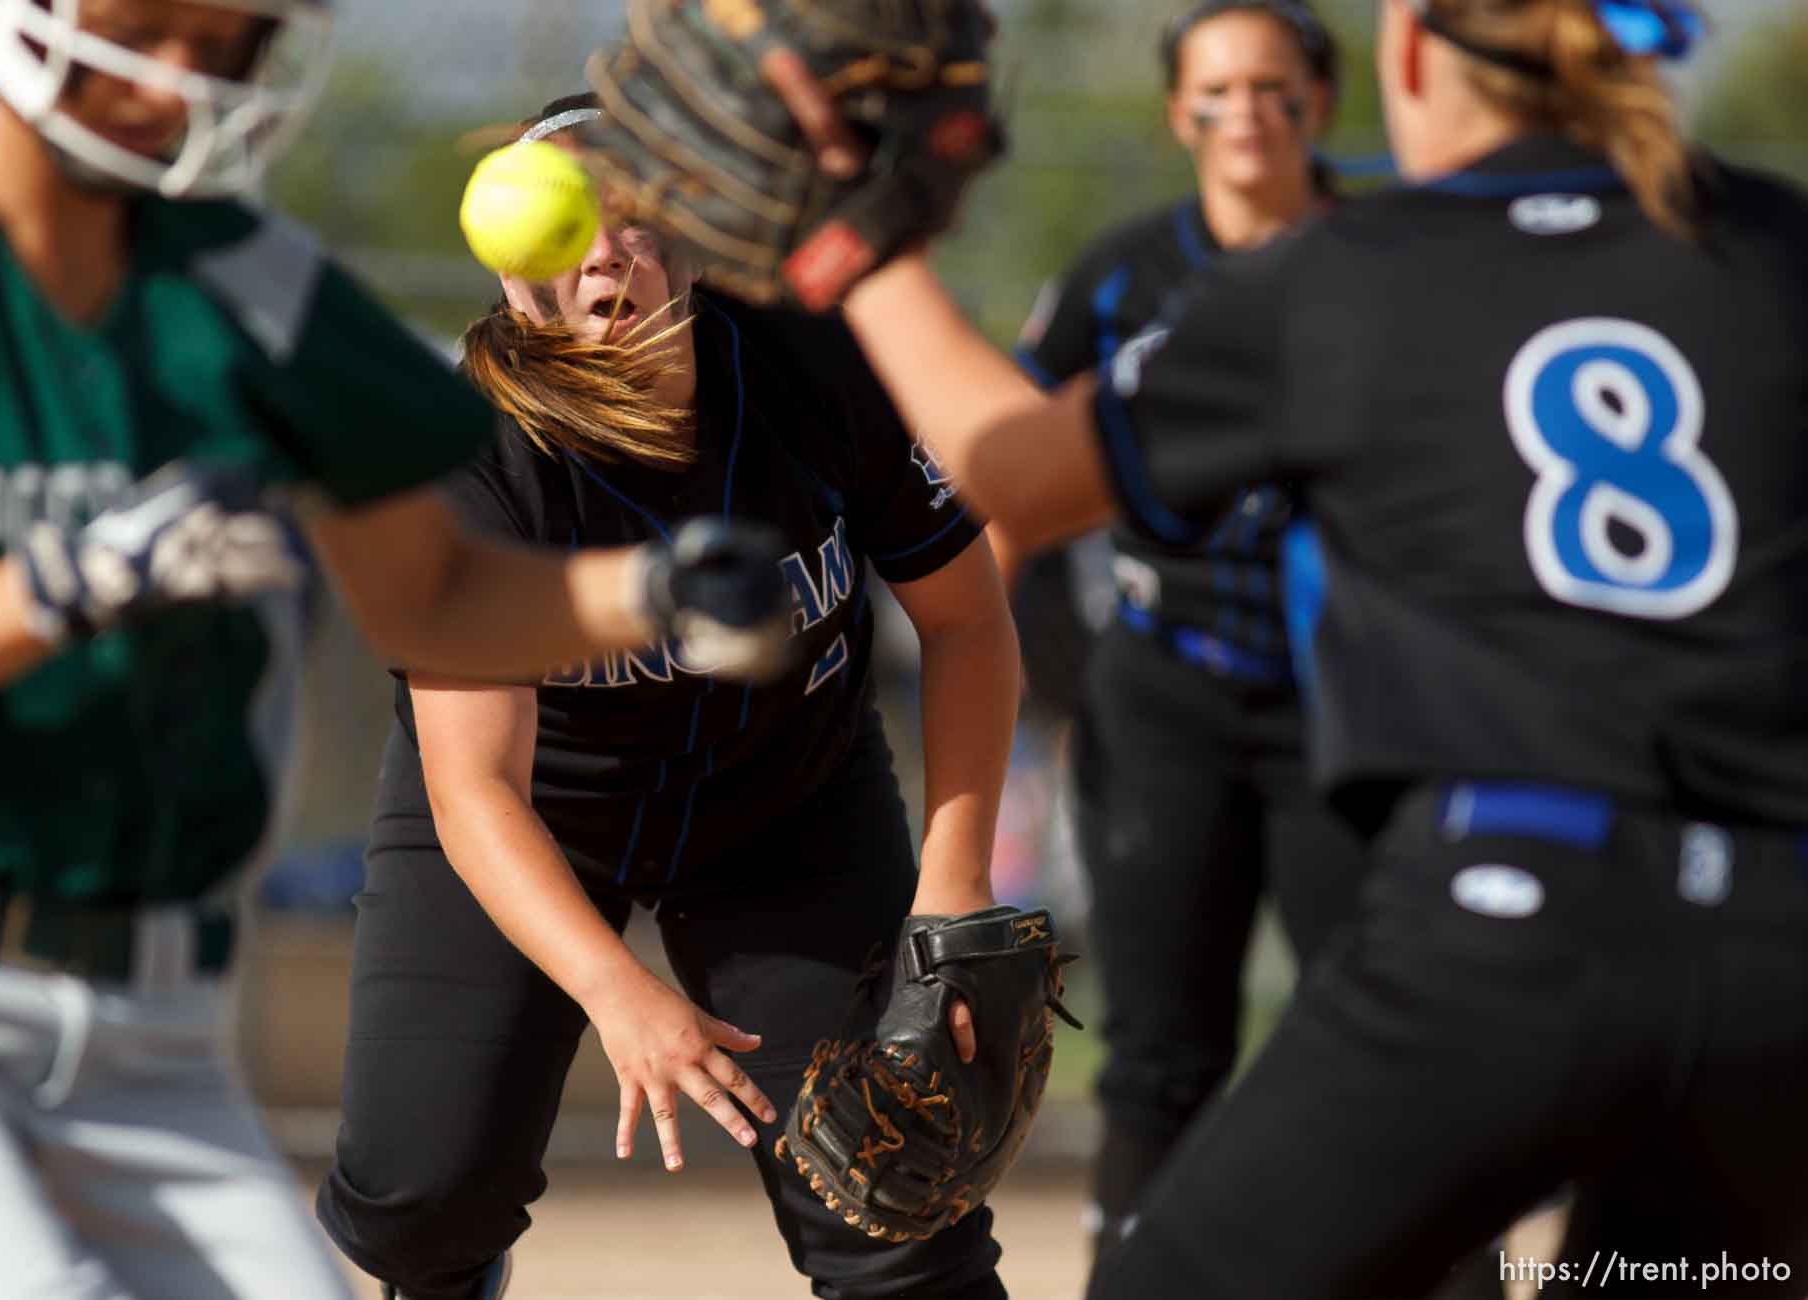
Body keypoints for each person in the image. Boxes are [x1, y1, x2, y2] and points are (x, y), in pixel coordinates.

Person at [738, 0, 1808, 1293]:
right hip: (1776, 955)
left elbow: (1010, 473)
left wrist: (858, 239)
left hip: (1515, 931)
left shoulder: (1348, 271)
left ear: (1404, 52)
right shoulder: (1774, 241)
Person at [0, 5, 789, 1298]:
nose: (182, 77)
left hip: (157, 1032)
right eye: (142, 26)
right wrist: (59, 589)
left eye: (224, 42)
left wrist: (656, 587)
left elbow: (437, 593)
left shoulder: (248, 280)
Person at [316, 97, 1023, 1300]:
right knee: (421, 1197)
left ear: (692, 229)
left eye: (634, 217)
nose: (602, 255)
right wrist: (615, 990)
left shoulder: (814, 361)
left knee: (894, 1202)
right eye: (563, 229)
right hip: (537, 815)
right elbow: (472, 786)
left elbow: (966, 623)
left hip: (786, 807)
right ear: (508, 268)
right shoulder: (465, 448)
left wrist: (950, 893)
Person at [994, 0, 1370, 1271]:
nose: (1247, 112)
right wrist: (1031, 683)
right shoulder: (1121, 276)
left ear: (1323, 101)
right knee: (1159, 1050)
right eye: (1216, 90)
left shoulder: (1390, 254)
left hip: (1356, 701)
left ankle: (1416, 1258)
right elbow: (1005, 483)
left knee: (1379, 1030)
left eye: (1276, 85)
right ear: (1176, 112)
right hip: (1170, 691)